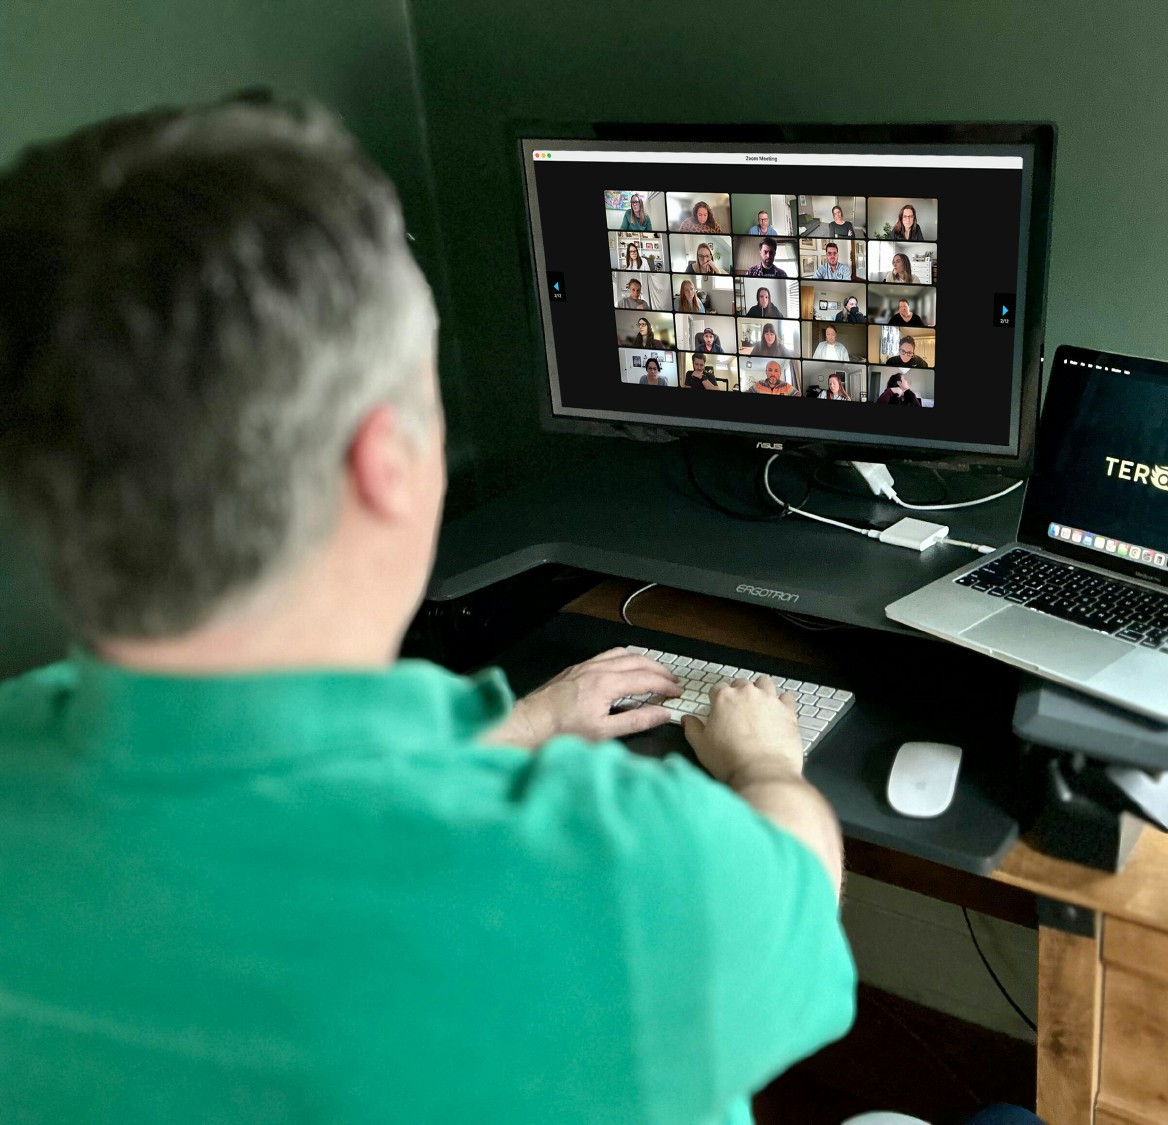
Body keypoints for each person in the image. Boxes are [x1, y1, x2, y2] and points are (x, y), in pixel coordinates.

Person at [0, 97, 852, 1122]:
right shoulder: (627, 880)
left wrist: (521, 727)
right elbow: (799, 888)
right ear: (386, 462)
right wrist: (765, 764)